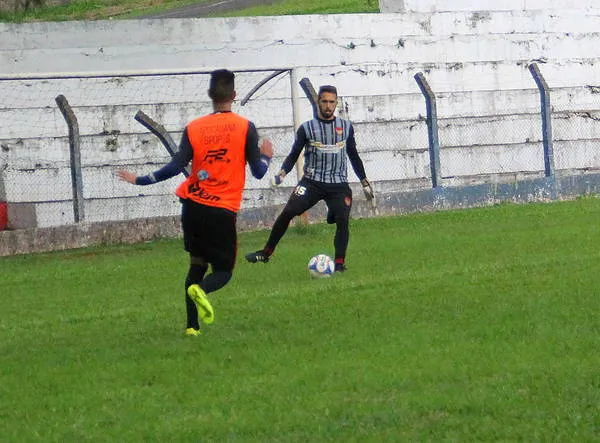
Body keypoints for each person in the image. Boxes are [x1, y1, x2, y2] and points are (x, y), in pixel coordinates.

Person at [118, 69, 273, 336]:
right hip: (221, 210)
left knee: (197, 264)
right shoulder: (245, 127)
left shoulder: (194, 127)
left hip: (192, 207)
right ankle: (201, 291)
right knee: (223, 271)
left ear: (210, 95)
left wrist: (140, 180)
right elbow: (259, 171)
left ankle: (192, 327)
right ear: (233, 95)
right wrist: (266, 155)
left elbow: (176, 165)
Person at [245, 85, 373, 272]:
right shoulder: (307, 128)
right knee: (289, 211)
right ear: (318, 102)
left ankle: (339, 264)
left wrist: (365, 182)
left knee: (342, 219)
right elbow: (293, 154)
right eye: (324, 101)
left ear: (336, 103)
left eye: (331, 102)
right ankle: (266, 253)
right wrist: (281, 174)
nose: (328, 106)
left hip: (338, 184)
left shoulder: (346, 128)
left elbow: (353, 155)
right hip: (312, 182)